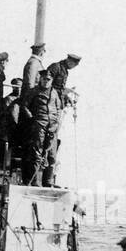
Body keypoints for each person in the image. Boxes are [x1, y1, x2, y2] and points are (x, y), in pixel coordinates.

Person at [40, 54, 81, 186]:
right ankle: (44, 178)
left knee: (53, 142)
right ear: (69, 61)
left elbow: (59, 89)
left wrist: (66, 95)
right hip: (51, 107)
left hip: (56, 106)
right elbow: (48, 84)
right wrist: (63, 93)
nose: (73, 67)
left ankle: (48, 178)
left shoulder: (64, 70)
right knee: (49, 141)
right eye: (73, 64)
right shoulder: (56, 67)